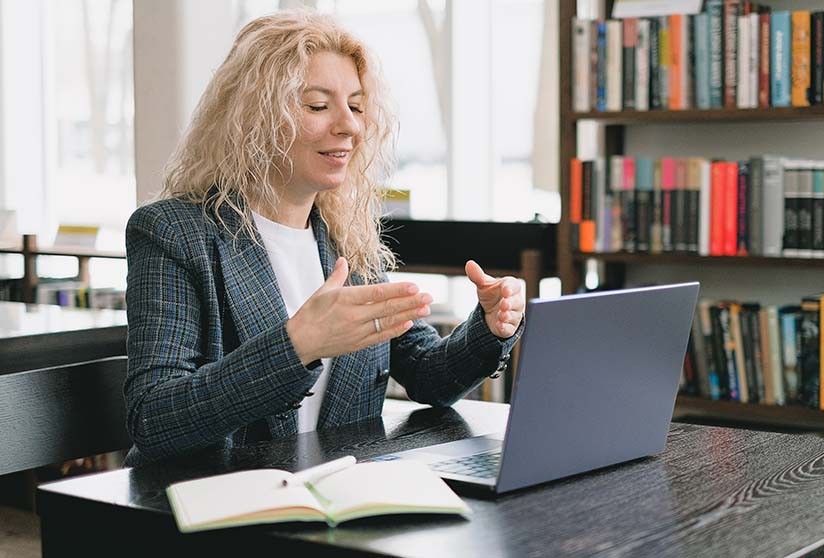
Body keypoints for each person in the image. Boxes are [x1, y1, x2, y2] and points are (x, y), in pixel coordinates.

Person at [123, 10, 525, 466]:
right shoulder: (172, 232)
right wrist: (298, 345)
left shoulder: (346, 238)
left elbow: (427, 372)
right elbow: (154, 418)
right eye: (318, 106)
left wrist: (489, 326)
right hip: (216, 499)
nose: (350, 126)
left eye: (356, 106)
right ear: (255, 116)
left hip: (337, 495)